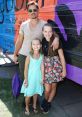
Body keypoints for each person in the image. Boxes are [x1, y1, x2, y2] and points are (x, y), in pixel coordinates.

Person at [13, 0, 59, 81]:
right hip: (23, 56)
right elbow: (19, 40)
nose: (32, 12)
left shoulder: (44, 24)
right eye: (30, 10)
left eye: (34, 10)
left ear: (38, 11)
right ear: (28, 12)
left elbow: (54, 34)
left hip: (37, 56)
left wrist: (57, 39)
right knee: (25, 79)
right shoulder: (23, 25)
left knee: (36, 79)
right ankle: (27, 93)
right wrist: (15, 54)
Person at [41, 23, 66, 113]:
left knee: (53, 87)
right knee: (47, 89)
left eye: (50, 31)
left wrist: (64, 71)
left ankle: (48, 103)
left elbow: (62, 56)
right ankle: (45, 99)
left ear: (52, 32)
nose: (48, 33)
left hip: (56, 67)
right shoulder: (42, 41)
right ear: (43, 32)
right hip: (46, 67)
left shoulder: (56, 41)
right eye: (45, 31)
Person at [21, 38, 44, 115]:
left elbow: (42, 67)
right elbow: (26, 69)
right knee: (28, 95)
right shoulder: (29, 56)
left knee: (35, 93)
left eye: (37, 44)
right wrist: (26, 79)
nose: (36, 46)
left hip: (38, 78)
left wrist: (43, 78)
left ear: (40, 45)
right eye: (33, 44)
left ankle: (34, 105)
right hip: (30, 78)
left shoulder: (41, 56)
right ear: (31, 46)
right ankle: (27, 107)